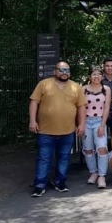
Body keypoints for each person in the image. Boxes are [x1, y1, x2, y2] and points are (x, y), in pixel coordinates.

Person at [29, 62, 87, 197]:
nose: (64, 72)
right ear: (55, 71)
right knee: (44, 158)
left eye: (67, 70)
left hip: (68, 131)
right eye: (61, 70)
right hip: (45, 131)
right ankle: (39, 185)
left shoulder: (76, 87)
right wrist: (32, 120)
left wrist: (82, 124)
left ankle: (60, 182)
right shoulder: (44, 84)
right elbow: (34, 102)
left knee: (64, 158)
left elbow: (81, 107)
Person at [82, 66, 112, 189]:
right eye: (94, 74)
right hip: (86, 121)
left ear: (102, 76)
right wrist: (81, 124)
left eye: (98, 74)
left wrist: (102, 125)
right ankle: (93, 172)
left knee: (102, 148)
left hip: (99, 121)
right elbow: (81, 107)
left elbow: (106, 108)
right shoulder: (83, 89)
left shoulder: (106, 89)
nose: (96, 77)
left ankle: (102, 175)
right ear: (90, 76)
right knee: (88, 149)